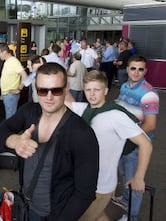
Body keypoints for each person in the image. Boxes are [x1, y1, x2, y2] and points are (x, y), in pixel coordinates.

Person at [0, 63, 99, 221]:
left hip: (54, 213)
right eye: (43, 90)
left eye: (56, 90)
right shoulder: (29, 111)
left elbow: (85, 193)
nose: (49, 97)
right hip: (25, 206)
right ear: (36, 89)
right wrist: (15, 141)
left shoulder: (82, 134)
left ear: (66, 88)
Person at [64, 70, 152, 221]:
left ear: (105, 91)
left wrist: (139, 177)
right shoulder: (85, 109)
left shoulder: (116, 116)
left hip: (100, 186)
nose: (92, 94)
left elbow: (146, 144)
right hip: (83, 182)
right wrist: (61, 86)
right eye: (88, 90)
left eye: (96, 90)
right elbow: (64, 101)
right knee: (98, 216)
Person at [112, 55, 159, 221]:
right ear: (127, 69)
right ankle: (125, 200)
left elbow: (150, 125)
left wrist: (129, 138)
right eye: (133, 68)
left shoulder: (149, 94)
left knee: (134, 182)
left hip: (136, 145)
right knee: (125, 175)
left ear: (145, 71)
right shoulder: (125, 86)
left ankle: (131, 216)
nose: (136, 72)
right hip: (124, 142)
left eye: (140, 69)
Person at [0, 45, 28, 119]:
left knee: (10, 118)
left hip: (10, 95)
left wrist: (19, 88)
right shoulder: (8, 61)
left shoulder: (13, 61)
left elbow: (24, 75)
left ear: (4, 52)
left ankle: (11, 131)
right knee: (9, 117)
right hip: (7, 94)